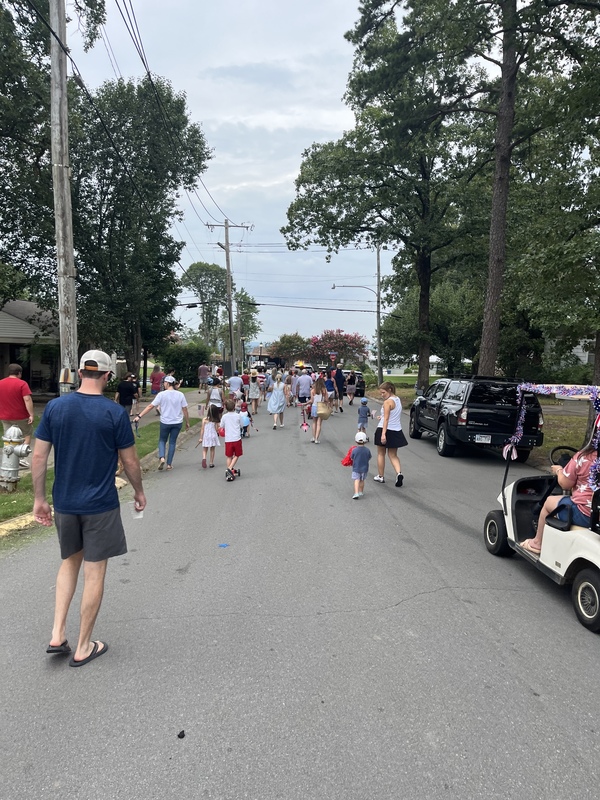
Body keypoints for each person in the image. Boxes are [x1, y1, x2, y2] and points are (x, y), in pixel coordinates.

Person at [32, 350, 146, 667]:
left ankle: (57, 634)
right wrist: (138, 491)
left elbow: (39, 457)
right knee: (94, 573)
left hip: (65, 503)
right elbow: (130, 461)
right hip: (100, 505)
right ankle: (83, 646)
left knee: (69, 562)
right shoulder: (114, 414)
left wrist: (39, 498)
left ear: (80, 373)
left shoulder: (55, 408)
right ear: (108, 376)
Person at [523, 445, 597, 555]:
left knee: (548, 502)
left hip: (586, 515)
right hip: (596, 514)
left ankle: (537, 543)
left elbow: (565, 484)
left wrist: (559, 470)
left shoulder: (584, 457)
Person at [134, 376, 190, 470]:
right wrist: (187, 422)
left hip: (165, 422)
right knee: (172, 442)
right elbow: (185, 409)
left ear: (167, 383)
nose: (163, 384)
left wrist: (139, 416)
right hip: (177, 422)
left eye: (164, 383)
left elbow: (151, 406)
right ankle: (169, 464)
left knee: (162, 440)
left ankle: (162, 457)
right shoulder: (180, 394)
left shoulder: (161, 394)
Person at [0, 363, 34, 468]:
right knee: (26, 435)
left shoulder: (1, 383)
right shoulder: (22, 384)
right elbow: (27, 399)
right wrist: (31, 414)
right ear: (19, 373)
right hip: (20, 416)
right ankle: (21, 458)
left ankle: (9, 458)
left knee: (8, 437)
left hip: (5, 416)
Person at [373, 381, 407, 487]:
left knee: (380, 453)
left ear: (389, 390)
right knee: (393, 455)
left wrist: (383, 434)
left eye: (383, 393)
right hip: (396, 430)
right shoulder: (397, 400)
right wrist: (381, 417)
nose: (382, 395)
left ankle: (381, 476)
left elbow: (387, 419)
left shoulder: (387, 402)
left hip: (385, 429)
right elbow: (390, 416)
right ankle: (399, 473)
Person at [220, 398, 243, 481]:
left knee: (229, 456)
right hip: (236, 438)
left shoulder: (224, 417)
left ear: (225, 407)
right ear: (234, 407)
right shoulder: (238, 416)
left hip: (228, 439)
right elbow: (241, 425)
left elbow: (221, 426)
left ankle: (229, 473)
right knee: (237, 454)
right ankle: (230, 469)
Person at [350, 431, 371, 499]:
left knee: (357, 479)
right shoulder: (367, 450)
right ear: (365, 441)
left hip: (356, 468)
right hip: (365, 468)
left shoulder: (354, 450)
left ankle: (356, 493)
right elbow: (369, 457)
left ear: (356, 441)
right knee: (362, 480)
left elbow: (351, 457)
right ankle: (361, 491)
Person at [199, 403, 221, 469]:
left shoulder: (204, 419)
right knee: (212, 449)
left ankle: (204, 458)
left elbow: (202, 429)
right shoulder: (215, 420)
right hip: (213, 435)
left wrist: (200, 438)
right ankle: (211, 462)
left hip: (206, 436)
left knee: (205, 449)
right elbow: (217, 429)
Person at [310, 376, 329, 444]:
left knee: (314, 422)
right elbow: (326, 399)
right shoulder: (324, 390)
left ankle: (313, 437)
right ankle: (316, 439)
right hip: (321, 406)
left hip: (314, 406)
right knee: (319, 424)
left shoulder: (313, 390)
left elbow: (312, 401)